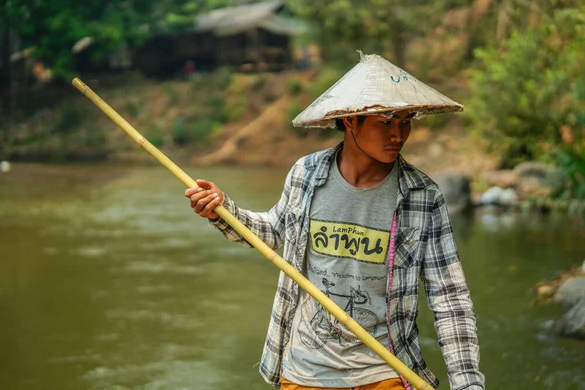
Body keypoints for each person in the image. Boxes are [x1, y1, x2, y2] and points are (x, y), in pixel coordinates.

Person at [185, 53, 485, 390]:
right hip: (305, 373)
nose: (398, 134)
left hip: (385, 372)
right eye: (385, 121)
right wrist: (223, 210)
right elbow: (272, 232)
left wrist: (467, 383)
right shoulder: (306, 174)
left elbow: (449, 298)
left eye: (405, 120)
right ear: (350, 121)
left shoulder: (422, 195)